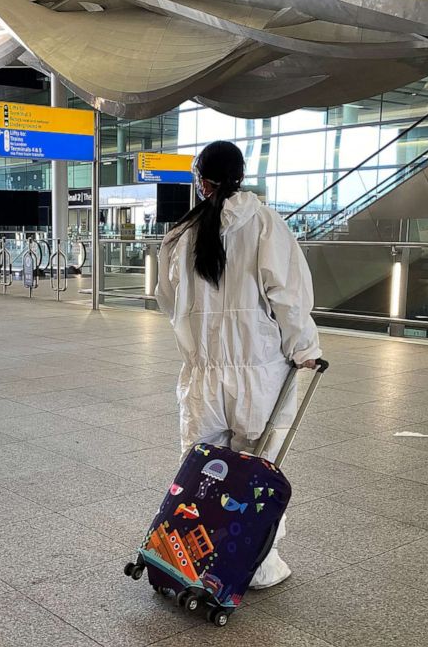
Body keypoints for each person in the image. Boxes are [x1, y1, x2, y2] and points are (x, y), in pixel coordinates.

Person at [155, 141, 321, 590]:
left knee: (201, 472)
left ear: (202, 182)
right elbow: (287, 295)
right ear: (239, 176)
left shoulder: (180, 236)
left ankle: (192, 556)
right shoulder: (266, 223)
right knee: (256, 470)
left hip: (204, 376)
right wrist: (305, 348)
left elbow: (166, 301)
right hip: (260, 374)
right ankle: (258, 564)